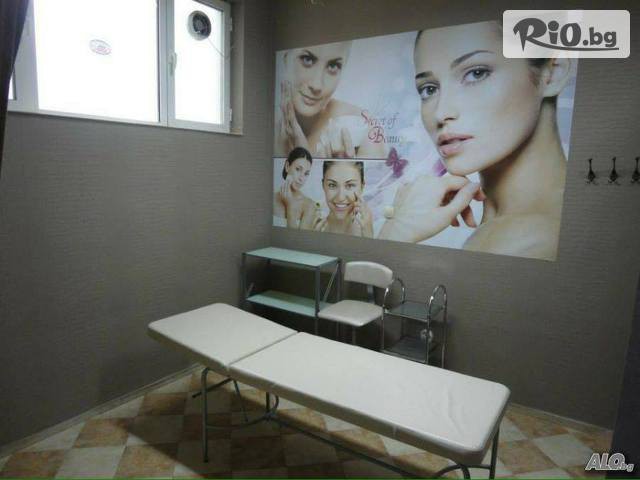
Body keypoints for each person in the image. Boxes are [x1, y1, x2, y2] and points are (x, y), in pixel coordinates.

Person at [380, 21, 572, 260]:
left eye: (476, 73)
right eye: (429, 89)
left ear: (552, 74)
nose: (441, 113)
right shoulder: (507, 224)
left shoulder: (531, 240)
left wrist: (397, 232)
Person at [275, 42, 387, 159]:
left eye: (333, 66)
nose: (317, 85)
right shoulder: (269, 125)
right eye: (307, 59)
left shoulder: (365, 130)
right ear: (286, 58)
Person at [314, 161, 373, 237]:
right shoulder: (312, 226)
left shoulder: (368, 231)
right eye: (332, 185)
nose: (340, 197)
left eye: (350, 185)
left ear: (362, 186)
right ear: (323, 185)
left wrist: (368, 236)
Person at [273, 147, 318, 229]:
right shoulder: (271, 198)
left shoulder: (309, 205)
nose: (301, 178)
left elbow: (297, 236)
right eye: (298, 169)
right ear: (287, 166)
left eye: (306, 173)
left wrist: (290, 205)